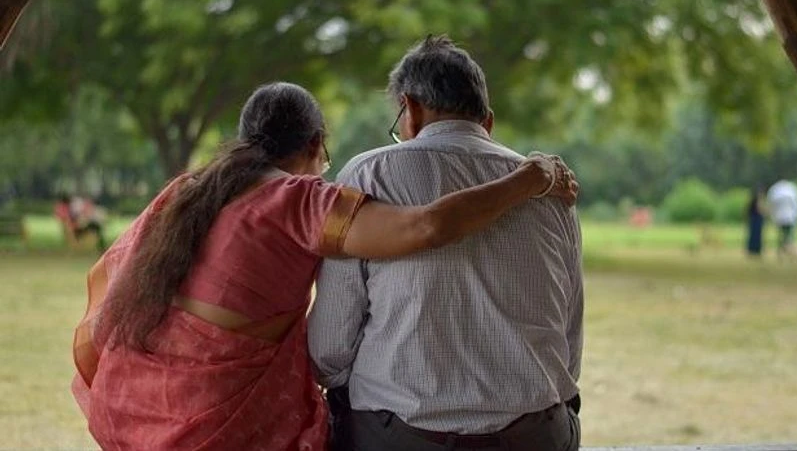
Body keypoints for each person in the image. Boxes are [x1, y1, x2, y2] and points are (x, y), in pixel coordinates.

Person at [71, 82, 578, 450]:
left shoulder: (189, 190)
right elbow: (422, 228)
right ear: (314, 146)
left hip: (141, 405)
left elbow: (111, 284)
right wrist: (528, 178)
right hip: (222, 424)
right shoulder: (297, 200)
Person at [308, 36, 584, 451]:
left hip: (402, 435)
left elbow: (328, 353)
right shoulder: (553, 190)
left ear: (412, 109)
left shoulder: (369, 176)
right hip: (535, 434)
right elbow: (569, 345)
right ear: (487, 122)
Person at [767, 178, 797, 258]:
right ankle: (787, 251)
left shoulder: (776, 192)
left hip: (780, 217)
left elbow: (772, 205)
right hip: (790, 217)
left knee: (782, 236)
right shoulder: (792, 191)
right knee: (788, 236)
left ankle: (782, 252)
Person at [745, 185, 766, 258]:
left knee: (753, 235)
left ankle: (752, 250)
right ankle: (756, 250)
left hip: (753, 219)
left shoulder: (753, 199)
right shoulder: (758, 200)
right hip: (757, 220)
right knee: (756, 236)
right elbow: (759, 209)